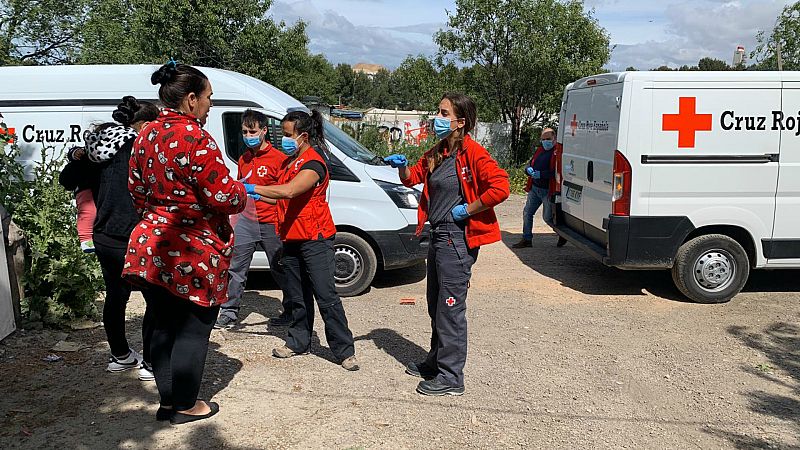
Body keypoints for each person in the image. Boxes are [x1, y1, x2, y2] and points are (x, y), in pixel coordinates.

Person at [122, 61, 246, 424]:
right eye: (208, 98)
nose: (210, 104)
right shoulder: (195, 138)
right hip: (193, 250)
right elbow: (225, 197)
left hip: (151, 244)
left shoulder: (145, 134)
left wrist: (161, 213)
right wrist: (240, 191)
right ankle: (186, 405)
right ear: (191, 100)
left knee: (161, 324)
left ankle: (167, 402)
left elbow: (136, 191)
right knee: (193, 328)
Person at [384, 93, 510, 396]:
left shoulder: (473, 154)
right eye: (437, 111)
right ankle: (436, 361)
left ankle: (452, 377)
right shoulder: (439, 151)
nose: (436, 118)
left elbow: (502, 186)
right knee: (435, 304)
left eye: (443, 113)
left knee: (450, 308)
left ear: (460, 122)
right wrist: (401, 167)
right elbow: (412, 176)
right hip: (438, 235)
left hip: (456, 239)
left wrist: (468, 209)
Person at [249, 108, 359, 372]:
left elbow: (289, 191)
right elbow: (277, 196)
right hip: (291, 237)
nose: (283, 140)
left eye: (288, 135)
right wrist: (248, 194)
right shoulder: (289, 164)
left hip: (314, 238)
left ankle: (344, 350)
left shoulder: (314, 163)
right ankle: (299, 341)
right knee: (297, 295)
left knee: (326, 295)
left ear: (304, 136)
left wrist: (254, 187)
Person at [82, 97, 160, 380]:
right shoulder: (140, 148)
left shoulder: (98, 149)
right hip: (135, 234)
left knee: (116, 296)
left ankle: (121, 356)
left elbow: (68, 178)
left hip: (104, 234)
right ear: (146, 124)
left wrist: (76, 156)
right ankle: (151, 364)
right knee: (155, 299)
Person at [215, 109, 291, 329]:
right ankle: (229, 313)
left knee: (280, 268)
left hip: (271, 221)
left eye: (252, 131)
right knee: (236, 268)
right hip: (246, 221)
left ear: (264, 130)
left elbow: (285, 192)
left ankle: (292, 310)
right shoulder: (244, 158)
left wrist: (265, 197)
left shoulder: (279, 159)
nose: (248, 135)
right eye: (244, 131)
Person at [511, 128, 567, 248]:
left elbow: (558, 172)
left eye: (548, 139)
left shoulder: (557, 153)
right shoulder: (539, 151)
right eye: (543, 139)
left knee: (547, 218)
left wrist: (542, 174)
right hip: (535, 188)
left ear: (554, 139)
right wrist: (528, 170)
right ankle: (527, 239)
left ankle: (562, 234)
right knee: (527, 213)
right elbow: (530, 164)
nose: (545, 142)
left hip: (547, 190)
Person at [58, 146, 99, 253]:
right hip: (84, 188)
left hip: (97, 188)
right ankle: (86, 240)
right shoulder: (89, 149)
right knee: (88, 211)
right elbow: (74, 153)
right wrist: (75, 153)